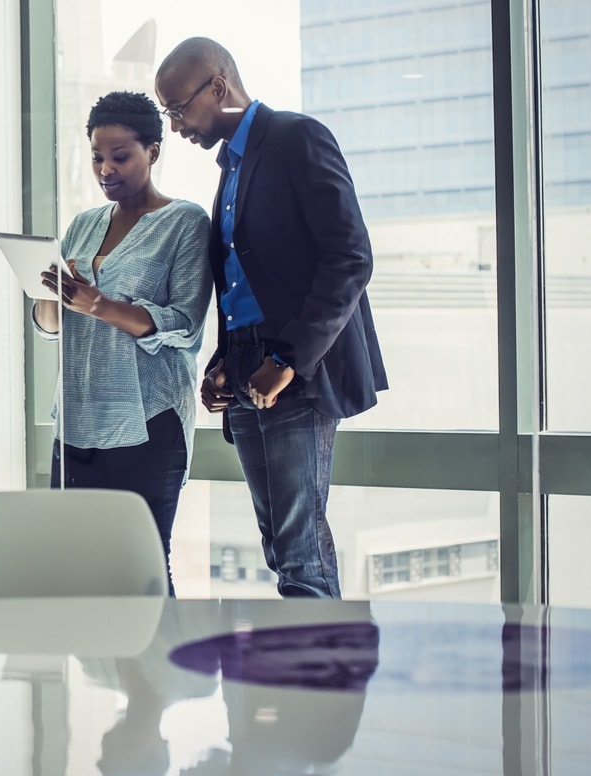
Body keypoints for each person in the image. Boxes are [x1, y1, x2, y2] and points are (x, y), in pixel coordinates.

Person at [154, 37, 388, 598]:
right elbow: (245, 281)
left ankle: (321, 680)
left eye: (178, 108)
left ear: (218, 86)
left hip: (297, 375)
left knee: (301, 553)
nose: (175, 124)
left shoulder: (295, 139)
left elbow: (351, 257)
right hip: (247, 371)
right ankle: (306, 675)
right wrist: (223, 361)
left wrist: (286, 359)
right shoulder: (230, 168)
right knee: (281, 548)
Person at [32, 90, 213, 597]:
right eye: (96, 157)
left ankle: (156, 675)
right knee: (75, 571)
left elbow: (184, 324)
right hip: (77, 423)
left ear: (154, 151)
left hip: (147, 423)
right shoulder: (83, 225)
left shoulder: (185, 223)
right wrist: (51, 292)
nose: (105, 169)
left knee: (144, 568)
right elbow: (49, 324)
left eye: (119, 156)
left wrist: (99, 305)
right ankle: (87, 678)